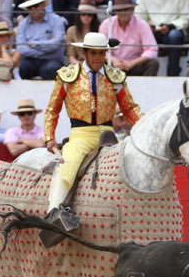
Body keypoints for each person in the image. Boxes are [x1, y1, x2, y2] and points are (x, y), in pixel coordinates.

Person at [44, 32, 142, 233]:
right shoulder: (67, 76)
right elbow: (52, 109)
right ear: (85, 52)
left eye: (102, 53)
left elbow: (130, 108)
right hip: (81, 135)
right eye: (95, 53)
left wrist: (144, 126)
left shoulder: (116, 78)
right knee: (68, 165)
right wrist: (49, 137)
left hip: (109, 135)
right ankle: (53, 214)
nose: (99, 58)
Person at [98, 0, 160, 76]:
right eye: (119, 10)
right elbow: (99, 49)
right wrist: (113, 60)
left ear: (132, 9)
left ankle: (146, 88)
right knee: (97, 61)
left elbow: (152, 50)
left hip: (134, 65)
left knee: (153, 63)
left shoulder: (142, 24)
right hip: (111, 66)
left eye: (126, 9)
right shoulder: (106, 24)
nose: (123, 12)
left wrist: (132, 63)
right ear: (115, 11)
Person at [135, 0, 189, 77]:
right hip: (152, 31)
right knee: (143, 35)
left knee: (174, 36)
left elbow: (185, 18)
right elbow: (138, 18)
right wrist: (148, 26)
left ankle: (173, 74)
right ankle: (143, 73)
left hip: (173, 30)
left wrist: (170, 26)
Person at [16, 0, 66, 80]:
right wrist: (47, 45)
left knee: (51, 69)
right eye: (30, 7)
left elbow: (56, 43)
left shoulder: (56, 20)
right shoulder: (23, 24)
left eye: (36, 5)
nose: (33, 9)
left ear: (43, 5)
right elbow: (21, 48)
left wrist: (32, 44)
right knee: (23, 67)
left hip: (52, 60)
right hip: (33, 60)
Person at [14, 0, 80, 27]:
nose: (33, 8)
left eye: (36, 5)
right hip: (31, 26)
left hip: (56, 24)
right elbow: (17, 8)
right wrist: (20, 18)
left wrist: (65, 19)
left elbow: (74, 0)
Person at [66, 0, 101, 65]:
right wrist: (79, 65)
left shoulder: (99, 30)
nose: (86, 17)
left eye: (89, 14)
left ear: (93, 16)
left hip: (96, 65)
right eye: (83, 14)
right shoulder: (71, 30)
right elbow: (71, 55)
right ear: (79, 15)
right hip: (76, 65)